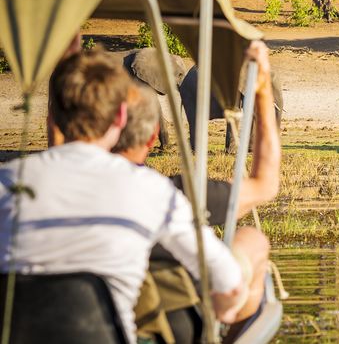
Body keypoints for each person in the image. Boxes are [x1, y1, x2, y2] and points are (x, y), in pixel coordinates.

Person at [0, 51, 256, 342]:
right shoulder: (150, 189)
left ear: (51, 116)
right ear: (121, 115)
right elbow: (228, 282)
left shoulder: (6, 182)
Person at [114, 41, 280, 343]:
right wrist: (263, 89)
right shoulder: (168, 197)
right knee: (252, 240)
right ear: (153, 137)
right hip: (164, 325)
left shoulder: (16, 188)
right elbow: (266, 184)